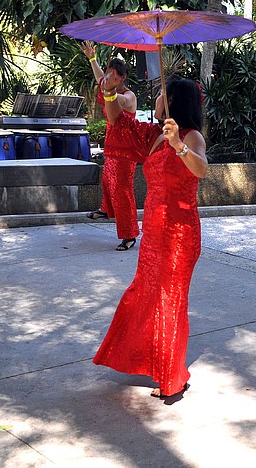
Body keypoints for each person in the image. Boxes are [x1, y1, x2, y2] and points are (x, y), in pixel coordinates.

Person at [93, 76, 208, 398]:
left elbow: (202, 170)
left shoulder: (190, 136)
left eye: (160, 95)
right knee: (143, 296)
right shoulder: (155, 136)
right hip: (155, 233)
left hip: (179, 233)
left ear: (174, 101)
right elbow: (118, 121)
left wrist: (180, 147)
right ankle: (152, 362)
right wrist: (108, 90)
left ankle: (172, 377)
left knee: (169, 301)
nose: (155, 100)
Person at [82, 42, 140, 251]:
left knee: (122, 190)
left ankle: (130, 234)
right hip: (112, 143)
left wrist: (109, 90)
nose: (108, 78)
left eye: (113, 76)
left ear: (123, 78)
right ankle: (106, 209)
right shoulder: (108, 85)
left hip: (126, 149)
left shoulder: (129, 96)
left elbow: (121, 102)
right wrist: (92, 58)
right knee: (108, 180)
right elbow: (100, 77)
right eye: (108, 74)